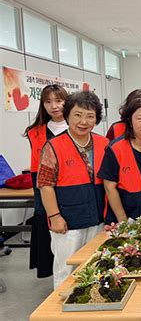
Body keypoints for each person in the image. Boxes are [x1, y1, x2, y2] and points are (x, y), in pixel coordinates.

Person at [37, 91, 108, 289]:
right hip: (67, 221)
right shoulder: (53, 146)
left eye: (90, 116)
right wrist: (55, 216)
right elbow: (45, 185)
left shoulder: (103, 143)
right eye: (78, 115)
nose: (83, 121)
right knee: (66, 269)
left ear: (96, 119)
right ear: (67, 115)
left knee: (97, 264)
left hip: (98, 219)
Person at [25, 85, 68, 279]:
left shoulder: (77, 126)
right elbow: (37, 169)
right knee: (47, 223)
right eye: (48, 101)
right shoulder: (35, 131)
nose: (54, 106)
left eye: (58, 100)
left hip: (70, 184)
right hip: (44, 184)